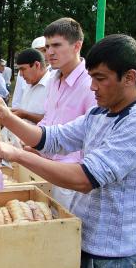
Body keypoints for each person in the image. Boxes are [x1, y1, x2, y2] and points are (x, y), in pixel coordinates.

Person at [0, 34, 136, 268]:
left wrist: (17, 154)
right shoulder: (99, 114)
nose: (92, 87)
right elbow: (51, 138)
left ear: (129, 77)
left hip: (117, 258)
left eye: (100, 79)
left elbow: (84, 179)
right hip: (84, 241)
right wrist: (6, 116)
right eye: (91, 78)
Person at [37, 18, 96, 210]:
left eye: (56, 45)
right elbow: (48, 119)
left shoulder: (91, 84)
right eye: (47, 47)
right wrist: (30, 142)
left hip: (72, 179)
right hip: (46, 168)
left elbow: (93, 136)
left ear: (77, 46)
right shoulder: (54, 79)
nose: (50, 52)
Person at [11, 48, 50, 124]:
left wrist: (25, 115)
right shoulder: (29, 83)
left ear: (36, 65)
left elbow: (53, 120)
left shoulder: (52, 85)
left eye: (23, 69)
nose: (21, 74)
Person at [12, 36, 48, 109]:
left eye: (45, 50)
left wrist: (24, 115)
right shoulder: (27, 78)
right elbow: (17, 99)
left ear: (37, 65)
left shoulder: (55, 77)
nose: (44, 54)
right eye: (39, 51)